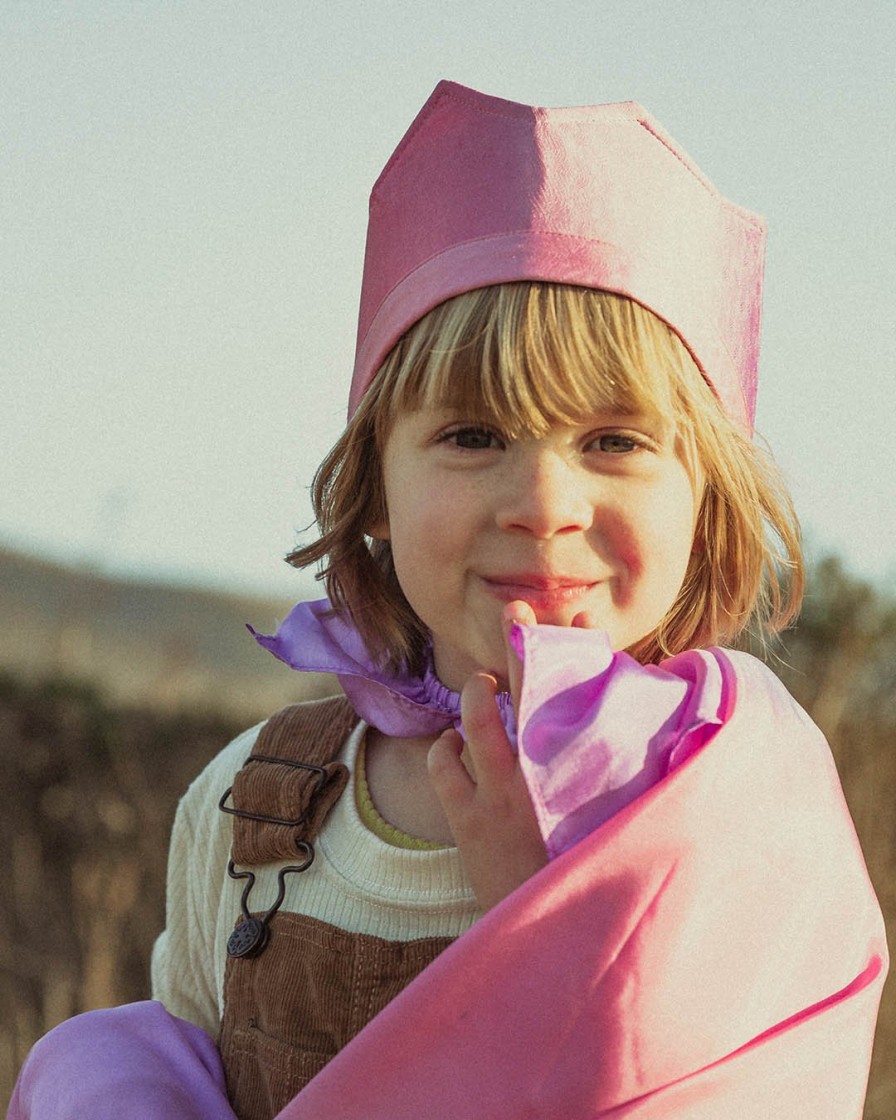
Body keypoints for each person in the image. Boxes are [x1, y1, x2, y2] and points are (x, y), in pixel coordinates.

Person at [9, 80, 887, 1120]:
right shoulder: (250, 799)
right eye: (473, 437)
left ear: (706, 498)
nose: (544, 504)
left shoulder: (734, 810)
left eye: (614, 441)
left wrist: (538, 927)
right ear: (374, 486)